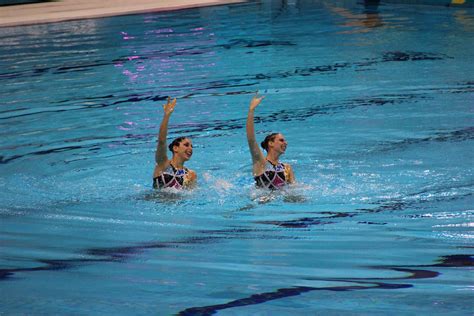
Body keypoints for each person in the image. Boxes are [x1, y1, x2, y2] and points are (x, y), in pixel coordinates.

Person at [246, 92, 295, 189]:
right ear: (271, 143)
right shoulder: (260, 162)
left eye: (285, 141)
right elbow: (251, 139)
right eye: (281, 140)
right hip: (261, 201)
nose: (286, 143)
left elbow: (294, 188)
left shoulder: (287, 168)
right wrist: (251, 110)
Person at [153, 97, 197, 189]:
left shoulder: (191, 174)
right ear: (175, 148)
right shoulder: (163, 164)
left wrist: (186, 185)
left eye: (192, 146)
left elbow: (191, 197)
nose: (190, 148)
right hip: (156, 202)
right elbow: (161, 141)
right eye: (186, 145)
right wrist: (167, 115)